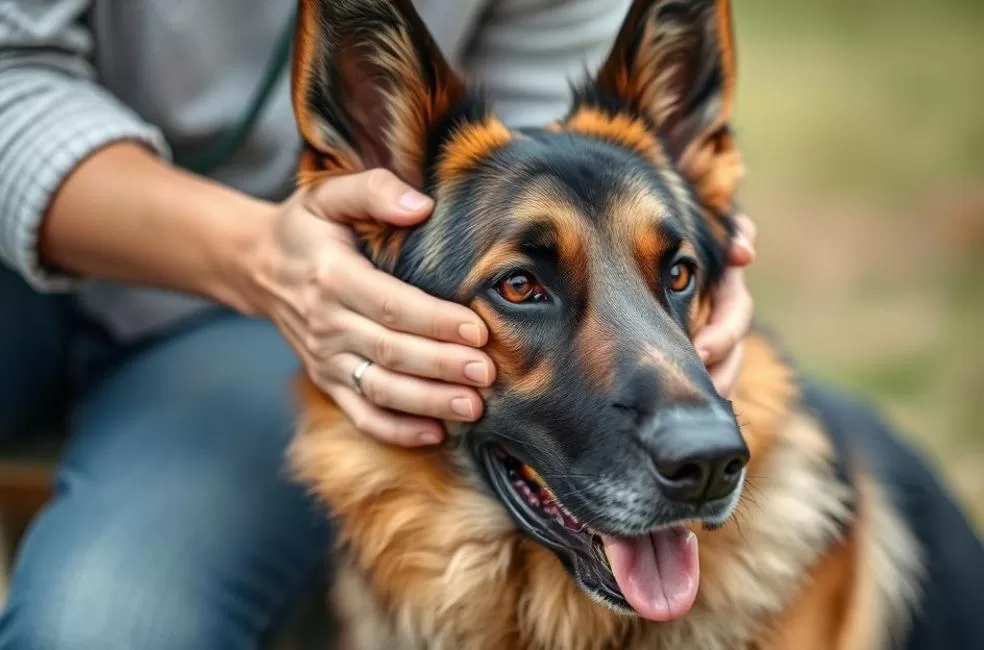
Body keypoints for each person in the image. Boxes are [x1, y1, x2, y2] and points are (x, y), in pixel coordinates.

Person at [0, 1, 756, 648]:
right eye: (523, 285)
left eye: (675, 275)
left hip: (239, 330)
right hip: (42, 285)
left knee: (105, 629)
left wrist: (700, 240)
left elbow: (558, 171)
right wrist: (264, 256)